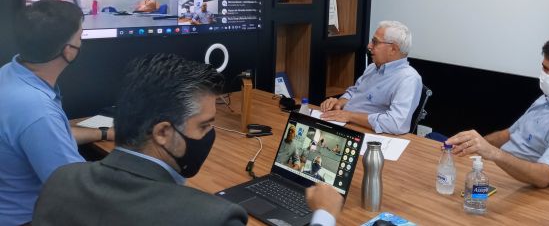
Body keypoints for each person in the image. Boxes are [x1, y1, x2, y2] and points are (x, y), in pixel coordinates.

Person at [33, 54, 343, 226]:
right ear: (163, 132)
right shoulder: (212, 218)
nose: (211, 136)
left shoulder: (61, 181)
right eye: (205, 126)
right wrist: (325, 214)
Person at [446, 31, 549, 189]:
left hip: (537, 193)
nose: (548, 77)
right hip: (504, 175)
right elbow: (508, 135)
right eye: (545, 68)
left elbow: (544, 177)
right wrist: (470, 146)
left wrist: (493, 153)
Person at [0, 0, 113, 226]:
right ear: (68, 51)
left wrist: (103, 132)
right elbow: (78, 191)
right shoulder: (36, 110)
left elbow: (46, 137)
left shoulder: (10, 73)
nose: (82, 41)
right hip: (30, 219)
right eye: (80, 36)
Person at [320, 20, 423, 134]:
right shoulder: (372, 67)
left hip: (368, 134)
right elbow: (354, 91)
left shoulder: (408, 79)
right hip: (344, 123)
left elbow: (396, 124)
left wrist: (349, 116)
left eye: (375, 42)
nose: (369, 46)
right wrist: (339, 103)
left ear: (393, 49)